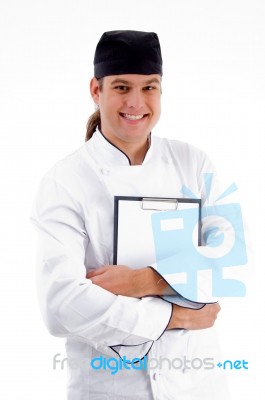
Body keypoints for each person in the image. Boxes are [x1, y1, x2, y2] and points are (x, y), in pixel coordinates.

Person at [31, 30, 230, 400]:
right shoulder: (65, 180)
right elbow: (60, 305)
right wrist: (177, 316)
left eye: (149, 87)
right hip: (109, 388)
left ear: (161, 90)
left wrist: (145, 281)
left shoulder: (194, 163)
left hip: (198, 385)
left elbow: (233, 264)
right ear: (96, 90)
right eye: (122, 87)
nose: (137, 102)